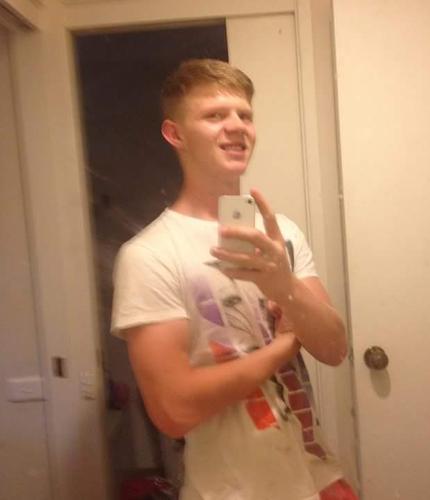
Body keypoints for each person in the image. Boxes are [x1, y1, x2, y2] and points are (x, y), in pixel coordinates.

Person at [111, 59, 357, 500]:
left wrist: (285, 287)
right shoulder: (149, 255)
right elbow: (173, 410)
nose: (236, 126)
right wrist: (283, 346)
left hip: (316, 478)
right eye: (214, 115)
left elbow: (335, 349)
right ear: (175, 134)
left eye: (245, 115)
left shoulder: (280, 233)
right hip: (230, 491)